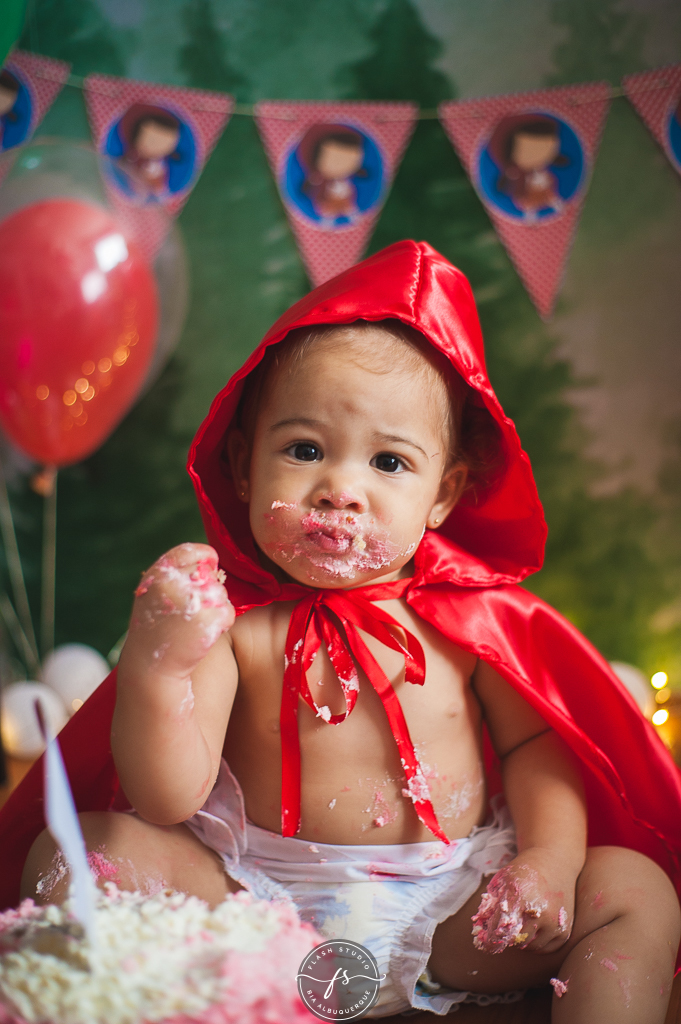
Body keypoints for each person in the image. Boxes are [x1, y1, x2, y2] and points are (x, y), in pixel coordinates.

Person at [6, 241, 681, 1021]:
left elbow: (537, 748)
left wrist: (549, 863)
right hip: (254, 903)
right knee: (79, 854)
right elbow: (166, 798)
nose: (341, 489)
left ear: (444, 493)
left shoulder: (472, 623)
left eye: (389, 463)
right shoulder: (235, 627)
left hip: (452, 907)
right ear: (243, 464)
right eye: (303, 450)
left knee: (635, 890)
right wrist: (160, 666)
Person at [487, 114, 569, 220]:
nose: (542, 155)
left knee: (549, 195)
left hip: (544, 191)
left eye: (550, 148)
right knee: (530, 203)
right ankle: (531, 213)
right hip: (529, 195)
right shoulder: (515, 173)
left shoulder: (542, 170)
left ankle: (554, 203)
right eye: (533, 150)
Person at [298, 124, 366, 223]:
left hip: (344, 196)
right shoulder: (319, 176)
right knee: (328, 210)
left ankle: (351, 215)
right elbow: (312, 183)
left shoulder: (346, 176)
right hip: (328, 198)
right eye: (337, 160)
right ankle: (328, 220)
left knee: (348, 206)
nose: (344, 165)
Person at [117, 105, 182, 200]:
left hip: (150, 188)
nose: (158, 147)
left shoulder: (158, 162)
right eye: (152, 141)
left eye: (167, 144)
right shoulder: (134, 155)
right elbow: (125, 165)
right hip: (133, 184)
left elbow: (157, 180)